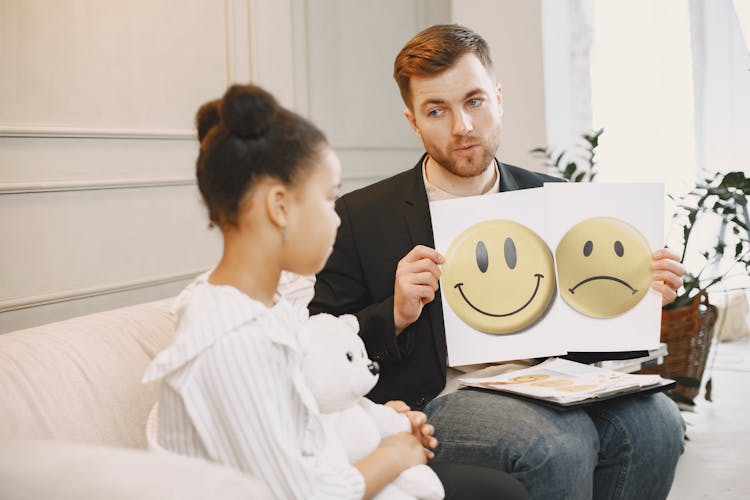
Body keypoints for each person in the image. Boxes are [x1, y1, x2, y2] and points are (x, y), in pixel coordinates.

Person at [310, 24, 686, 500]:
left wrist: (638, 293)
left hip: (553, 383)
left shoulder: (555, 198)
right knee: (557, 443)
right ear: (413, 122)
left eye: (474, 101)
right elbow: (318, 344)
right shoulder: (362, 215)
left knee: (658, 424)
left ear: (498, 98)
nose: (462, 126)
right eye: (436, 110)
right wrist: (397, 313)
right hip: (446, 397)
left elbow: (587, 336)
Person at [143, 84, 528, 500]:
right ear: (280, 207)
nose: (337, 219)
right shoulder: (232, 339)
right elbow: (308, 494)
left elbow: (303, 415)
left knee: (498, 490)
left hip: (329, 468)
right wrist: (397, 453)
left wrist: (380, 419)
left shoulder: (269, 306)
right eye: (328, 199)